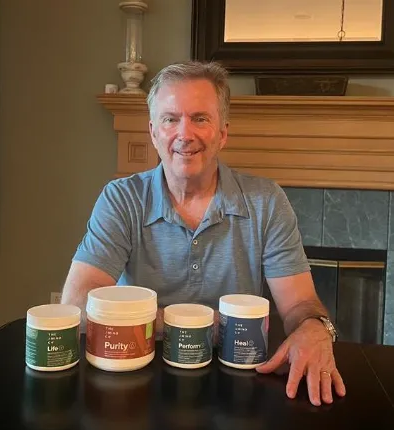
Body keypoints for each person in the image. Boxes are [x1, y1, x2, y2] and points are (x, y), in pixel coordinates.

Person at [61, 60, 346, 406]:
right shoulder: (122, 199)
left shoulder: (267, 201)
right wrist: (192, 324)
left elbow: (300, 303)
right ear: (153, 132)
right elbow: (77, 303)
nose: (185, 134)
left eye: (200, 118)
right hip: (136, 373)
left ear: (222, 133)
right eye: (170, 119)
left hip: (238, 380)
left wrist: (315, 328)